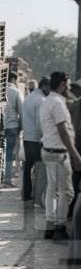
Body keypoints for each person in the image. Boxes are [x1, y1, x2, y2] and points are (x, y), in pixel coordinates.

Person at [40, 71, 81, 241]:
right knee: (67, 192)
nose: (70, 87)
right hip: (58, 154)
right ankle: (60, 227)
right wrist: (75, 154)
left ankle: (50, 226)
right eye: (68, 84)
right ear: (62, 84)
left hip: (48, 151)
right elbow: (63, 132)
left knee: (52, 190)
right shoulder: (57, 103)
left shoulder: (49, 100)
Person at [21, 76, 50, 202]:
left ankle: (26, 194)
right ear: (44, 86)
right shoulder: (41, 100)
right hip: (36, 138)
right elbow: (39, 122)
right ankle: (37, 196)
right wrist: (42, 138)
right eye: (49, 87)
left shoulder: (28, 97)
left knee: (28, 166)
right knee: (39, 167)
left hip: (27, 136)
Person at [3, 71, 23, 187]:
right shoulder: (16, 92)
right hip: (12, 126)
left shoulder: (0, 90)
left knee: (1, 152)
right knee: (10, 152)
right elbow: (21, 111)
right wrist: (21, 126)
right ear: (14, 79)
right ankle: (8, 179)